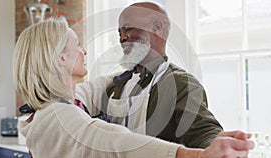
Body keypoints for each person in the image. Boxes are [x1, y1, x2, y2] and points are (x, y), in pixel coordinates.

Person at [13, 17, 254, 158]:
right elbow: (114, 143)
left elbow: (202, 127)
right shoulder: (58, 113)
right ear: (60, 59)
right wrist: (196, 156)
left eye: (128, 29)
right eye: (76, 45)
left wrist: (139, 66)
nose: (121, 38)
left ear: (157, 30)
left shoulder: (63, 101)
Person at [75, 2, 223, 148]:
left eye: (128, 29)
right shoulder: (116, 84)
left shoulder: (181, 84)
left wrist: (218, 146)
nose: (122, 38)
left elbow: (204, 130)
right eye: (119, 32)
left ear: (157, 27)